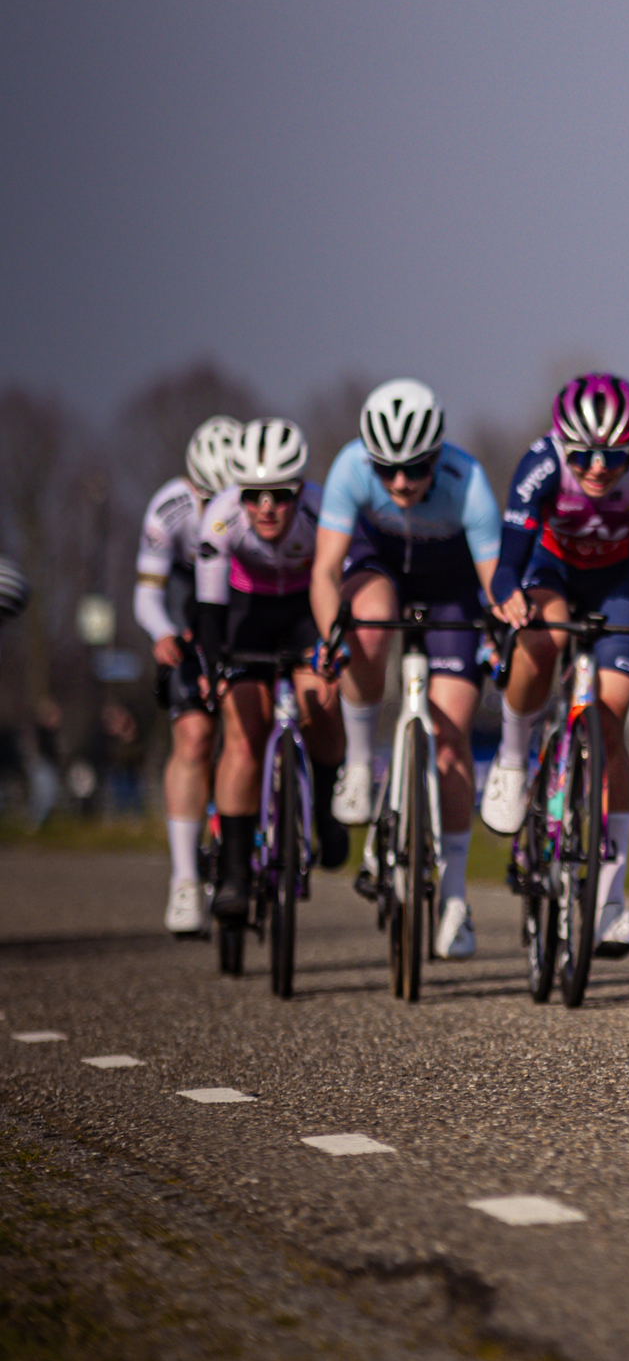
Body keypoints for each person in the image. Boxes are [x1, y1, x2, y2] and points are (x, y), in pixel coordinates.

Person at [310, 380, 502, 958]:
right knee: (366, 623)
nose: (399, 484)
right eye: (386, 469)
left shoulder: (468, 483)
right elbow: (324, 573)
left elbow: (495, 584)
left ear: (436, 456)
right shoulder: (348, 468)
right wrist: (330, 640)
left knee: (450, 743)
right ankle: (361, 765)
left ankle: (454, 897)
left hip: (451, 591)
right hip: (379, 572)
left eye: (414, 470)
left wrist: (498, 633)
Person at [483, 373, 629, 955]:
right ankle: (511, 757)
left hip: (620, 581)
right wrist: (507, 591)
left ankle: (610, 900)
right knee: (543, 636)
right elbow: (509, 558)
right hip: (552, 571)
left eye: (614, 455)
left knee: (609, 720)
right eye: (583, 454)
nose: (600, 467)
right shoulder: (541, 464)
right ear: (563, 444)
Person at [192, 421, 344, 923]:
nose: (266, 507)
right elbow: (209, 610)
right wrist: (213, 667)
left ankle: (325, 811)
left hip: (303, 609)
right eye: (254, 495)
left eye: (280, 495)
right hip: (245, 614)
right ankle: (235, 873)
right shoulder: (218, 519)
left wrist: (329, 648)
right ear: (240, 493)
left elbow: (335, 586)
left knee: (321, 700)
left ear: (299, 490)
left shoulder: (324, 510)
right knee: (243, 736)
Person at [133, 414, 239, 935]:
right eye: (206, 496)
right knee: (194, 737)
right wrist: (165, 635)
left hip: (237, 599)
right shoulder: (168, 507)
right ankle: (183, 879)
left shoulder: (253, 507)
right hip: (185, 604)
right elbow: (147, 595)